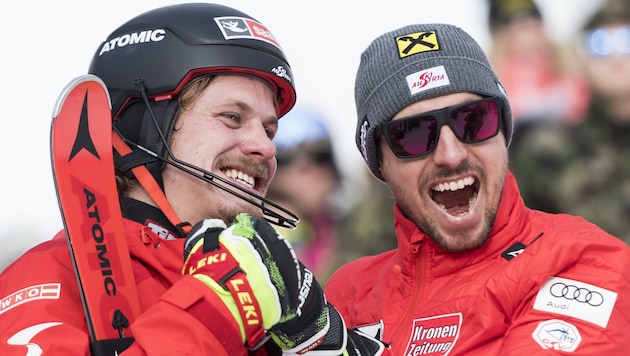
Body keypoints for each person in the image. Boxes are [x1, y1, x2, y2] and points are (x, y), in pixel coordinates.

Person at [0, 4, 388, 355]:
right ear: (147, 128)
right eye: (232, 117)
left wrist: (327, 344)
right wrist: (214, 309)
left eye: (269, 130)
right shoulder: (51, 277)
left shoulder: (267, 282)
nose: (267, 149)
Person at [324, 22, 630, 354]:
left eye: (473, 120)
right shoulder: (348, 293)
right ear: (379, 162)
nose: (451, 155)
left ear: (504, 133)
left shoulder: (580, 258)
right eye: (412, 134)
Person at [509, 0, 630, 244]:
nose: (617, 57)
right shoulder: (546, 149)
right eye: (600, 44)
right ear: (581, 59)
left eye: (627, 40)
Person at [486, 0, 590, 146]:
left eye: (528, 20)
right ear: (497, 33)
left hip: (574, 146)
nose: (520, 26)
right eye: (508, 22)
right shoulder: (490, 76)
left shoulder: (569, 63)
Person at [267, 107, 343, 282]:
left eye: (321, 157)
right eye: (290, 158)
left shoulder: (356, 226)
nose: (310, 170)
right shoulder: (249, 234)